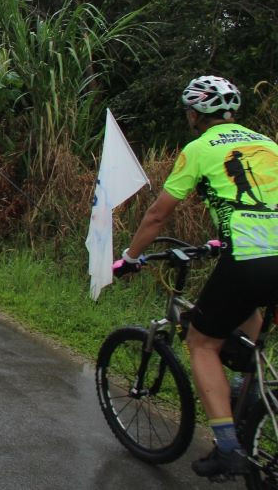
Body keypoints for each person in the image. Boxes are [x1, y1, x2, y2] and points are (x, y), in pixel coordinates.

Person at [116, 75, 278, 479]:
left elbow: (158, 213)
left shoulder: (200, 148)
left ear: (194, 113)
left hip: (250, 257)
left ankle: (227, 448)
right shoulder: (268, 144)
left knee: (201, 341)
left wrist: (130, 257)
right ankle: (249, 391)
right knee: (248, 318)